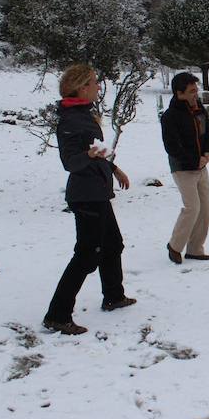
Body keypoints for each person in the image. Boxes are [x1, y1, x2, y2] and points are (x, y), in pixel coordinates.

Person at [43, 64, 136, 335]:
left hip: (97, 192)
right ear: (82, 88)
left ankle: (113, 296)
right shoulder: (71, 119)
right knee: (86, 255)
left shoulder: (83, 114)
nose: (98, 87)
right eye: (94, 82)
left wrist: (113, 168)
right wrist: (92, 157)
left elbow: (95, 151)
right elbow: (70, 162)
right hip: (85, 196)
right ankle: (57, 314)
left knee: (112, 244)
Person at [161, 72, 209, 264]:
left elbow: (208, 132)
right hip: (183, 168)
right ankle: (175, 246)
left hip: (202, 166)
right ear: (179, 93)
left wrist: (208, 153)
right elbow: (172, 147)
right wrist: (195, 160)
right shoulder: (170, 116)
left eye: (196, 90)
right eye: (191, 91)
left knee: (205, 209)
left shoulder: (199, 109)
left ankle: (195, 249)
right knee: (192, 208)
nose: (195, 94)